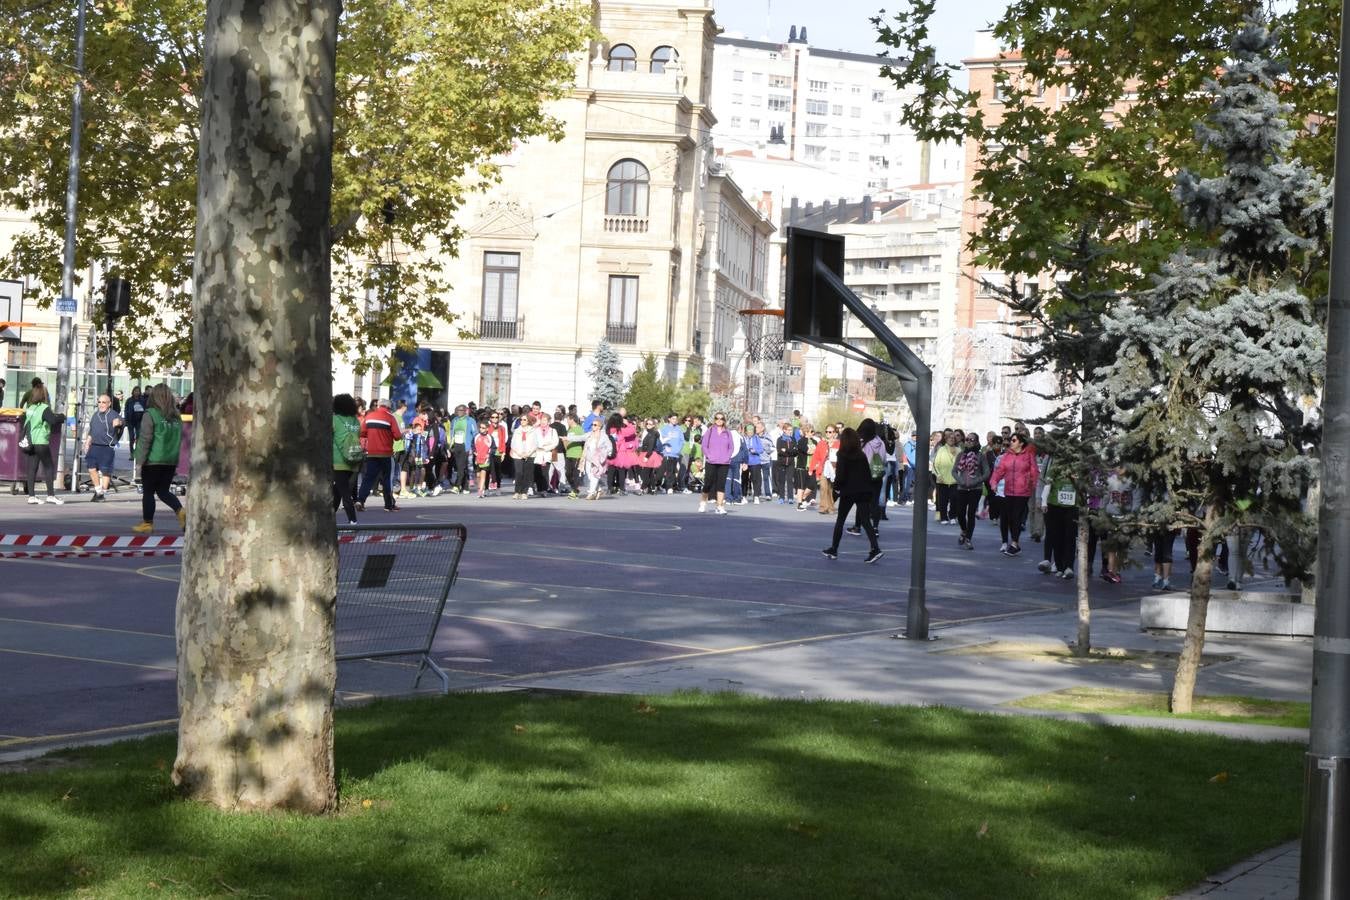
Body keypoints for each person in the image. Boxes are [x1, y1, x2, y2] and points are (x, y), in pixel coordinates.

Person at [821, 427, 884, 564]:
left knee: (840, 520)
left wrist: (836, 489)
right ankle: (875, 548)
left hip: (849, 491)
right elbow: (867, 474)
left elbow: (841, 475)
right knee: (866, 521)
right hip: (863, 491)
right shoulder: (861, 455)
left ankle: (834, 549)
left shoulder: (842, 454)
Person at [132, 383, 184, 531]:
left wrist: (140, 460)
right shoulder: (176, 417)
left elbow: (145, 439)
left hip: (153, 460)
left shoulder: (151, 414)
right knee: (163, 491)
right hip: (170, 460)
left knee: (148, 492)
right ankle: (180, 511)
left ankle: (147, 523)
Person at [987, 431, 1038, 556]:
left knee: (1016, 516)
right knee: (1010, 518)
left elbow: (1034, 471)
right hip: (1009, 491)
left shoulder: (1028, 455)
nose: (1011, 442)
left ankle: (1015, 543)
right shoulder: (1007, 456)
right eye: (1011, 440)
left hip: (1023, 492)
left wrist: (1032, 485)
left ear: (1021, 443)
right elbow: (999, 471)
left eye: (1014, 440)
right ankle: (1014, 543)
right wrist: (993, 483)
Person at [20, 384, 65, 505]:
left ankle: (32, 496)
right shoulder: (44, 408)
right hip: (41, 441)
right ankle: (50, 495)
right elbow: (53, 420)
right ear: (43, 395)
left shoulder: (30, 408)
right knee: (49, 466)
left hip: (30, 442)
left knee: (32, 469)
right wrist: (62, 416)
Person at [356, 398, 403, 512]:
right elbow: (397, 436)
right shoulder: (390, 418)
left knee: (368, 478)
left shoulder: (369, 416)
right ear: (388, 407)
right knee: (387, 479)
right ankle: (388, 505)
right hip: (386, 454)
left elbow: (362, 432)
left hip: (371, 453)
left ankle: (360, 500)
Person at [1038, 456, 1079, 578]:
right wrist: (1044, 502)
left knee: (1070, 537)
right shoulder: (1055, 468)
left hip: (1072, 507)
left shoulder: (1077, 469)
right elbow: (1047, 485)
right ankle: (1060, 566)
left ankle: (1069, 567)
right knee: (1057, 537)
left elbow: (1082, 487)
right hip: (1055, 506)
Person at [83, 393, 123, 501]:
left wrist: (119, 422)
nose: (101, 404)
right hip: (94, 446)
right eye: (99, 402)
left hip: (107, 447)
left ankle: (102, 494)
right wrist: (87, 442)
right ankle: (98, 490)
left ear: (109, 404)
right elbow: (92, 430)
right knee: (91, 468)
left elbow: (122, 421)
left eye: (104, 402)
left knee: (105, 471)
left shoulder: (113, 414)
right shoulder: (95, 415)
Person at [952, 433, 988, 549]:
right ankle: (963, 530)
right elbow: (953, 471)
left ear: (976, 442)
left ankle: (968, 539)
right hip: (962, 488)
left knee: (971, 513)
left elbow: (987, 472)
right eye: (967, 439)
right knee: (960, 513)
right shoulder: (961, 455)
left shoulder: (981, 456)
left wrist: (978, 480)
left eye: (971, 439)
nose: (968, 441)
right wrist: (959, 480)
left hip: (975, 489)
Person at [331, 393, 362, 524]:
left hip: (339, 461)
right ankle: (329, 519)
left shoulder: (334, 419)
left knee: (344, 493)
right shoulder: (355, 421)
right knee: (338, 491)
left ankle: (353, 520)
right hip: (354, 460)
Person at [699, 412, 733, 514]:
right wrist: (709, 456)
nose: (719, 420)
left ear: (724, 420)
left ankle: (719, 506)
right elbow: (704, 446)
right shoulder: (709, 431)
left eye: (721, 418)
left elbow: (731, 447)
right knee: (708, 483)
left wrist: (727, 457)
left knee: (721, 484)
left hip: (724, 462)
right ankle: (703, 503)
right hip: (711, 462)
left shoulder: (727, 432)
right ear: (714, 420)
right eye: (717, 418)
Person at [810, 424, 838, 515]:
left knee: (830, 489)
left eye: (830, 432)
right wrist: (812, 468)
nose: (828, 433)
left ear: (834, 433)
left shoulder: (839, 443)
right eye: (826, 431)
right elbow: (816, 456)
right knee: (823, 487)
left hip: (834, 468)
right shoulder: (822, 443)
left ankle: (831, 507)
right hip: (824, 468)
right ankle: (823, 507)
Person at [581, 416, 611, 500]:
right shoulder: (589, 434)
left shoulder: (604, 436)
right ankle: (599, 489)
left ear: (599, 426)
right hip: (588, 458)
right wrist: (568, 437)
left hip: (597, 459)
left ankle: (591, 493)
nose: (592, 426)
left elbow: (609, 447)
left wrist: (605, 454)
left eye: (595, 425)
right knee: (589, 476)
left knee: (594, 475)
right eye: (592, 425)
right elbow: (580, 437)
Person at [510, 412, 536, 499]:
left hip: (530, 454)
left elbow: (535, 444)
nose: (522, 421)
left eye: (524, 420)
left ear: (528, 421)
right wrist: (519, 453)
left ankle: (524, 492)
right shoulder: (517, 431)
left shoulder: (533, 431)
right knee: (519, 473)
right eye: (521, 419)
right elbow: (513, 444)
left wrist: (528, 453)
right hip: (518, 455)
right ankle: (517, 491)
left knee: (527, 474)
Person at [659, 413, 685, 493]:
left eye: (676, 419)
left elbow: (682, 440)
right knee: (668, 470)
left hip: (676, 453)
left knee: (674, 471)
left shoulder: (679, 428)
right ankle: (668, 487)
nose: (675, 420)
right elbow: (661, 439)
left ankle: (667, 485)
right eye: (673, 419)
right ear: (669, 419)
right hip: (667, 453)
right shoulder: (664, 428)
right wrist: (666, 447)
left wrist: (678, 449)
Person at [473, 417, 496, 498]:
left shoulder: (490, 437)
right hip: (477, 459)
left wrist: (488, 454)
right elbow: (473, 446)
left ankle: (481, 491)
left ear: (487, 429)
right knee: (478, 475)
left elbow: (493, 448)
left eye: (483, 428)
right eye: (480, 427)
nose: (481, 429)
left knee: (483, 475)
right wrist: (474, 452)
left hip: (486, 460)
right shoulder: (476, 436)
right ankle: (480, 487)